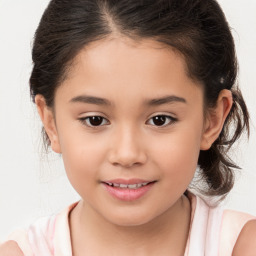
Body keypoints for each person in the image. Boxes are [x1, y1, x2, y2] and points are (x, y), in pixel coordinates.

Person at [1, 0, 255, 255]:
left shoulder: (242, 246)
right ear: (51, 122)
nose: (127, 154)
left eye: (160, 119)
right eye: (95, 120)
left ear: (212, 120)